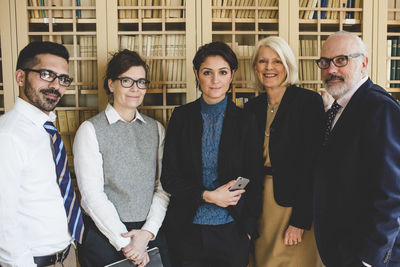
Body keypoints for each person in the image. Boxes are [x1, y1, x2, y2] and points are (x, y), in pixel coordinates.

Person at [160, 41, 264, 267]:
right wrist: (208, 196)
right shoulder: (181, 117)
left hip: (231, 229)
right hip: (186, 230)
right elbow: (169, 177)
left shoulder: (246, 120)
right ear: (197, 74)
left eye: (223, 72)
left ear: (231, 75)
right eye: (207, 72)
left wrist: (231, 201)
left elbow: (251, 173)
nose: (215, 80)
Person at [73, 50, 170, 267]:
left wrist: (146, 233)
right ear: (111, 84)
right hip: (105, 236)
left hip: (150, 233)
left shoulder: (156, 129)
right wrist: (126, 243)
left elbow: (162, 188)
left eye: (141, 82)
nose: (135, 88)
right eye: (127, 81)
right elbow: (91, 196)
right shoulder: (90, 130)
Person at [313, 31, 400, 267]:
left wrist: (369, 259)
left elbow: (392, 194)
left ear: (364, 63)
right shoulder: (339, 108)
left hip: (367, 256)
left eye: (341, 60)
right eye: (324, 62)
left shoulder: (379, 109)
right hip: (342, 249)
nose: (330, 70)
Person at [0, 41, 83, 266]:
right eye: (47, 74)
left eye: (63, 78)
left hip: (67, 255)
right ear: (20, 77)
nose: (56, 85)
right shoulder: (7, 135)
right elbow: (2, 220)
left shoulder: (47, 130)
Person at [244, 36, 324, 267]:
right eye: (263, 62)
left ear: (288, 66)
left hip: (294, 204)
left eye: (277, 61)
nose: (269, 68)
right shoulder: (251, 108)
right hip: (260, 204)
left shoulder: (308, 102)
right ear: (255, 68)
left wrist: (300, 220)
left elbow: (314, 165)